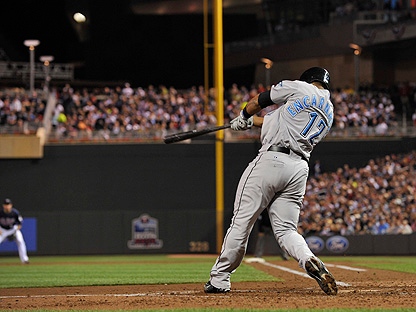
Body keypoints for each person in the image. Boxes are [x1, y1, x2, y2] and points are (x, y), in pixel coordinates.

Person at [204, 67, 337, 295]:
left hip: (271, 159)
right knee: (286, 230)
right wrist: (249, 123)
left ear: (307, 79)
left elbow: (261, 99)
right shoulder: (329, 110)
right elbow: (276, 121)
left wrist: (244, 115)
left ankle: (220, 279)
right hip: (298, 169)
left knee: (242, 222)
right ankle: (309, 259)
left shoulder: (299, 86)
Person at [0, 198, 29, 264]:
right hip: (2, 230)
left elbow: (20, 224)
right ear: (3, 206)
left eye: (8, 204)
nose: (7, 206)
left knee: (20, 241)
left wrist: (15, 231)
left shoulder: (15, 213)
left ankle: (24, 259)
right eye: (5, 204)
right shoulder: (0, 213)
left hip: (13, 229)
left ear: (11, 205)